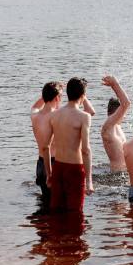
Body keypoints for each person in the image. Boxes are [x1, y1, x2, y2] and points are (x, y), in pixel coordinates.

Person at [44, 77, 96, 213]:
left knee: (56, 211)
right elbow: (86, 150)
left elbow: (46, 147)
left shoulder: (54, 115)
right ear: (83, 95)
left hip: (58, 167)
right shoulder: (84, 117)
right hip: (75, 169)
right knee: (75, 213)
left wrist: (49, 174)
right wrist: (89, 181)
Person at [30, 81, 63, 205]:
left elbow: (35, 106)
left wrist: (48, 93)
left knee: (46, 200)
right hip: (53, 163)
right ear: (57, 98)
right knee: (58, 202)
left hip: (40, 164)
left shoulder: (34, 115)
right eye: (61, 96)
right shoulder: (56, 116)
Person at [100, 75, 131, 172]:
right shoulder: (108, 127)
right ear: (117, 112)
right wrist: (115, 84)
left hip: (124, 173)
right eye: (123, 113)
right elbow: (126, 103)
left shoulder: (116, 126)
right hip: (117, 174)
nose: (124, 116)